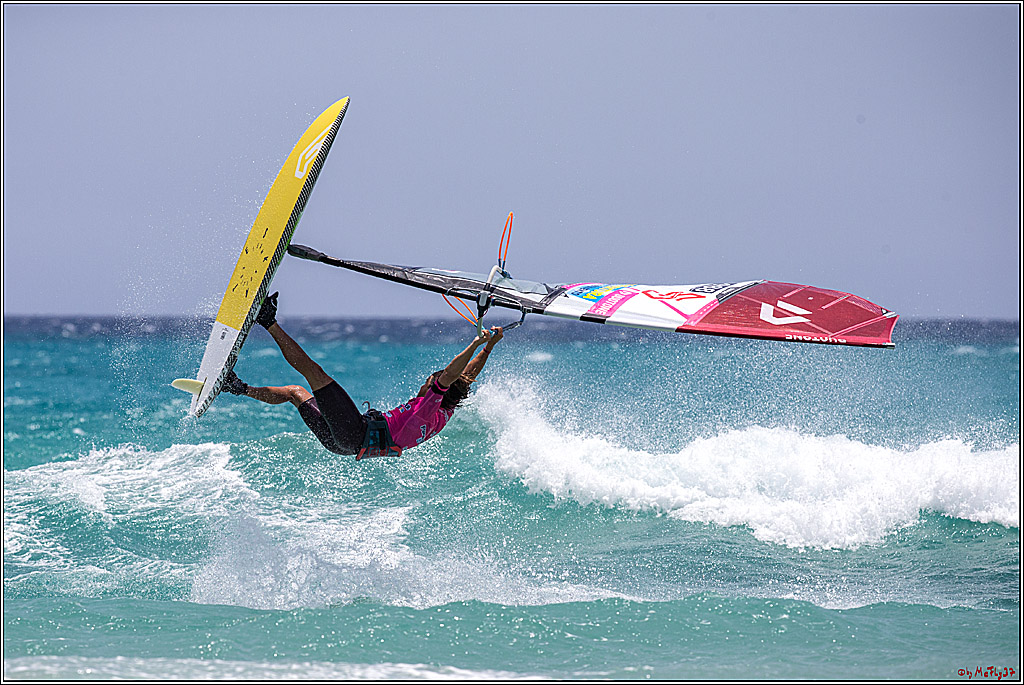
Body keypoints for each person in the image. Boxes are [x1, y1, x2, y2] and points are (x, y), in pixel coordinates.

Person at [222, 292, 504, 459]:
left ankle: (266, 320)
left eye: (430, 381)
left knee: (314, 372)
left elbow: (454, 373)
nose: (425, 383)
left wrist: (477, 342)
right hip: (343, 446)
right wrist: (490, 346)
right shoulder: (444, 413)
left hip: (355, 431)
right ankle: (237, 387)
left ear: (436, 388)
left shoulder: (428, 408)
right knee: (295, 393)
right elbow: (466, 375)